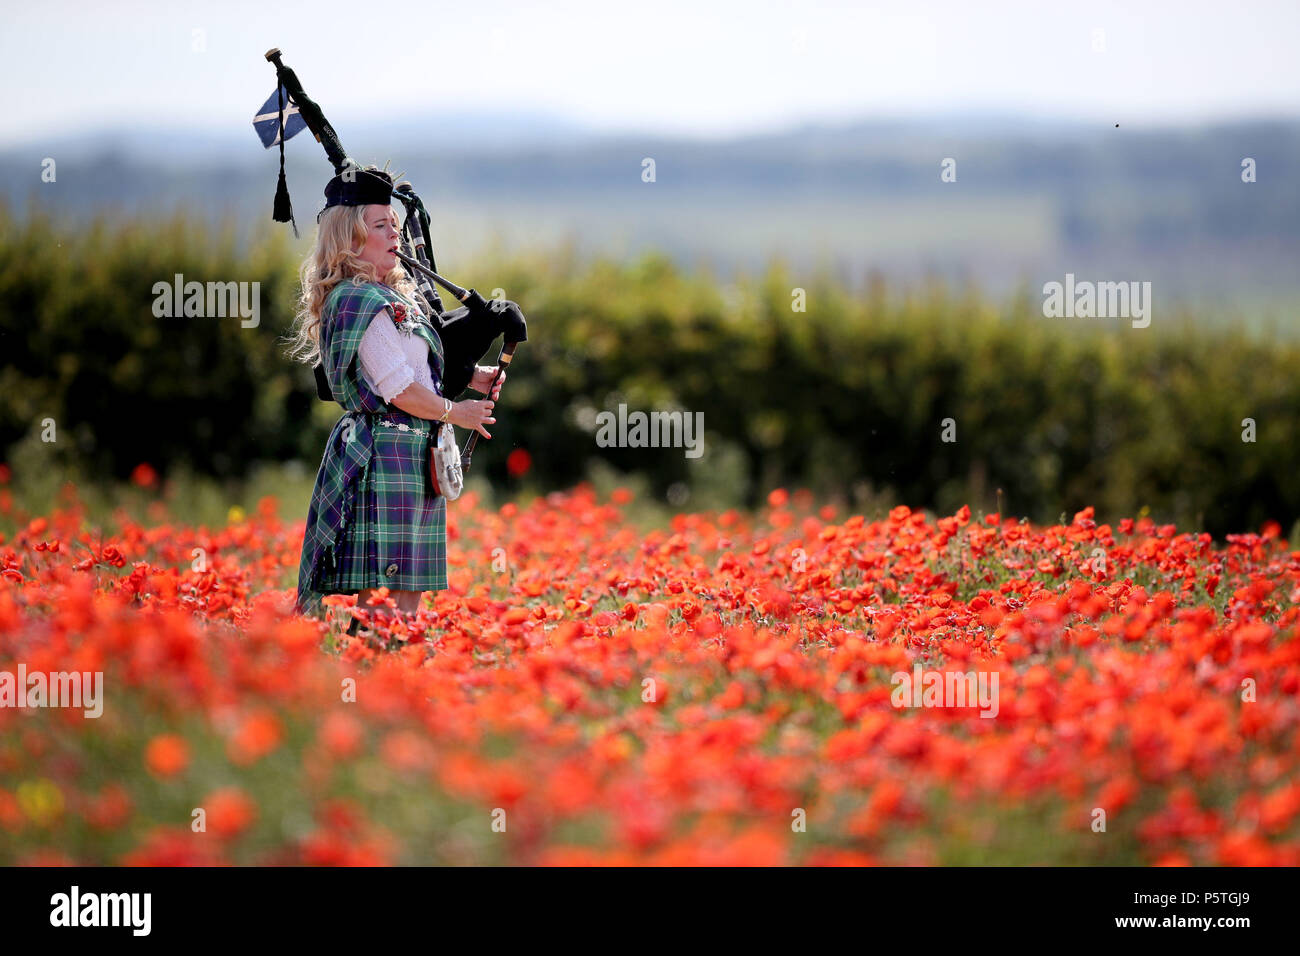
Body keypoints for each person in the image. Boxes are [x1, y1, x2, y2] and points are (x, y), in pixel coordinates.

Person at [286, 166, 502, 630]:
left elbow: (415, 371)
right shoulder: (355, 299)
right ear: (351, 236)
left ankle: (388, 675)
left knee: (407, 589)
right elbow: (398, 389)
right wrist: (456, 412)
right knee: (384, 590)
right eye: (381, 226)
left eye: (395, 226)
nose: (394, 235)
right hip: (385, 452)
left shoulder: (387, 295)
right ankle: (367, 679)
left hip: (414, 454)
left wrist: (475, 378)